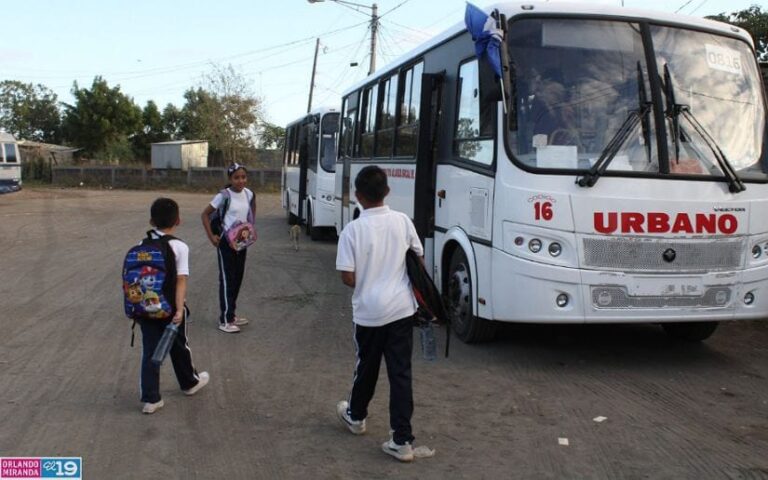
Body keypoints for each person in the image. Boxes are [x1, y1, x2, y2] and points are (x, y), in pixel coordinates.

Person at [335, 166, 424, 462]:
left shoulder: (352, 230)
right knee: (400, 374)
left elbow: (347, 277)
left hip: (369, 313)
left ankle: (356, 416)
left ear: (357, 196)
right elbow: (418, 257)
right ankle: (402, 440)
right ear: (387, 191)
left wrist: (369, 279)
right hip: (401, 310)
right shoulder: (402, 221)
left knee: (367, 367)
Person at [139, 197, 209, 414]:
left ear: (151, 221)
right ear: (178, 220)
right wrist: (179, 310)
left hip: (146, 309)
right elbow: (181, 280)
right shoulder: (179, 246)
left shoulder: (143, 245)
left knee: (150, 351)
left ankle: (151, 399)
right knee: (179, 345)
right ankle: (189, 383)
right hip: (169, 309)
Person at [201, 163, 256, 333]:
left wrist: (249, 230)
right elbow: (205, 214)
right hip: (226, 242)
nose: (240, 181)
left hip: (241, 242)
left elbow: (251, 213)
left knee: (237, 277)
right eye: (236, 178)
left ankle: (231, 314)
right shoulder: (223, 196)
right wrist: (212, 237)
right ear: (230, 179)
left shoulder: (249, 194)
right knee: (226, 279)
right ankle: (225, 320)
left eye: (243, 177)